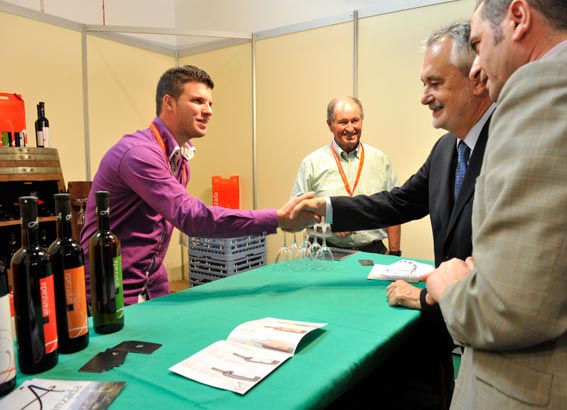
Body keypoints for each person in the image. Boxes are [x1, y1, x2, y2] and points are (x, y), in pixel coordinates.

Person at [294, 21, 495, 410]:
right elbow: (395, 203)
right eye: (424, 84)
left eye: (434, 83)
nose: (425, 97)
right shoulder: (444, 151)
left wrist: (424, 298)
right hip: (456, 335)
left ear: (476, 78)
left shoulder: (508, 143)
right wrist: (326, 208)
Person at [425, 1, 567, 408]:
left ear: (518, 19)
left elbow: (507, 307)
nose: (476, 66)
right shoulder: (443, 152)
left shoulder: (542, 89)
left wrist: (452, 284)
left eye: (478, 43)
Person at [80, 65, 317, 306]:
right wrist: (276, 218)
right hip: (111, 293)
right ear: (168, 103)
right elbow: (191, 217)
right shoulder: (139, 153)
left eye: (210, 103)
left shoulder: (179, 159)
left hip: (151, 286)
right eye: (198, 101)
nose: (208, 111)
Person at [290, 96, 401, 255]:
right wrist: (329, 224)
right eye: (343, 122)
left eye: (355, 121)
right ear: (330, 124)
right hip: (325, 253)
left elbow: (394, 210)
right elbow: (297, 213)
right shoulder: (311, 164)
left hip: (373, 253)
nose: (350, 128)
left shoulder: (381, 161)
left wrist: (395, 254)